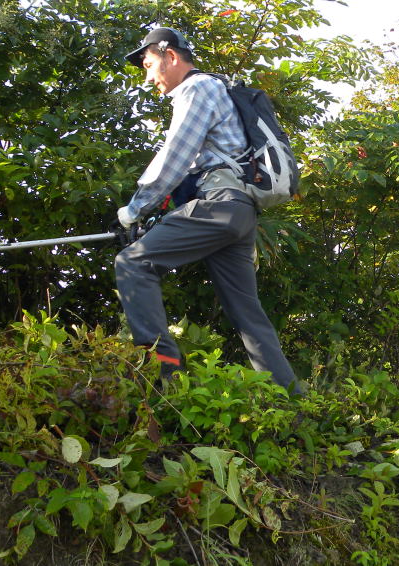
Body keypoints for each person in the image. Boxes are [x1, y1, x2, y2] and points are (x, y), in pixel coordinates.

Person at [114, 27, 300, 392]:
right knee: (248, 314)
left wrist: (134, 211)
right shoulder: (215, 88)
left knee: (132, 263)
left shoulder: (196, 88)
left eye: (149, 65)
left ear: (170, 56)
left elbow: (175, 156)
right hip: (240, 213)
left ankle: (165, 378)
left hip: (220, 206)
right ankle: (293, 402)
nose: (148, 77)